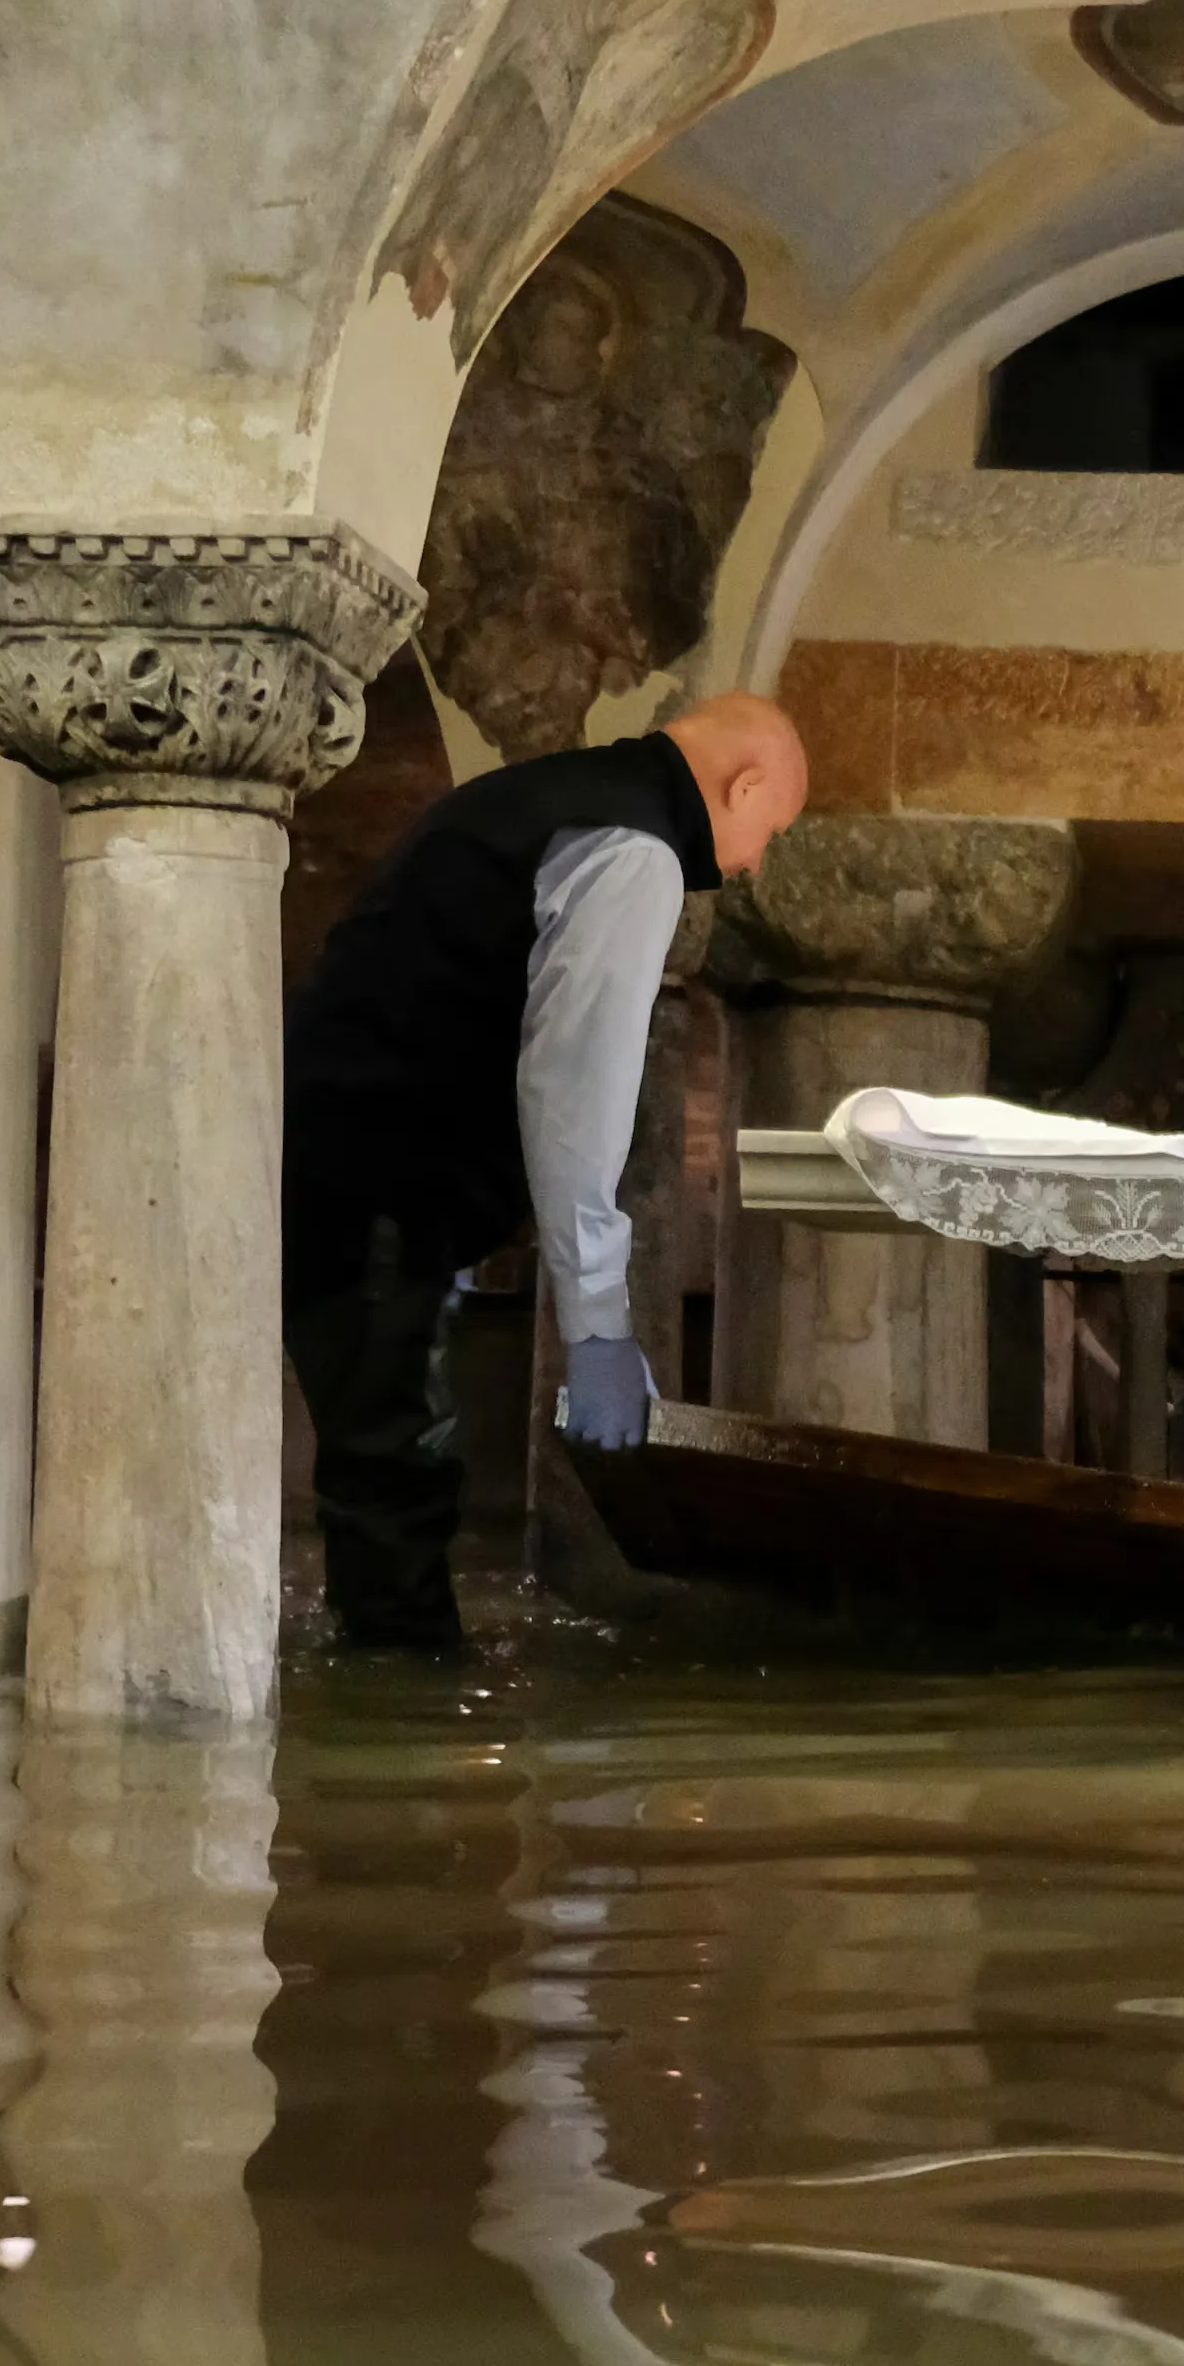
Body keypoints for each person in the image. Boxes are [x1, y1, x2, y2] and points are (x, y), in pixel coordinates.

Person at [281, 693, 810, 1651]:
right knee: (392, 1480)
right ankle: (394, 1745)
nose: (751, 864)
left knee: (387, 1471)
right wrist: (598, 1323)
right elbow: (574, 1087)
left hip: (337, 1146)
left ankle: (379, 1727)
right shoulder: (633, 849)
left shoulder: (541, 797)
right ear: (744, 784)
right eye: (766, 831)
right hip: (373, 1175)